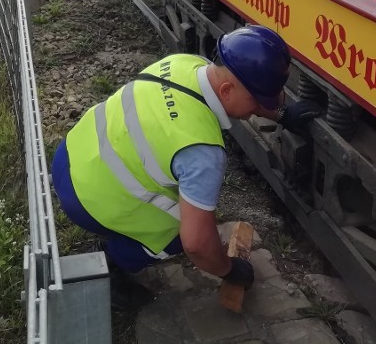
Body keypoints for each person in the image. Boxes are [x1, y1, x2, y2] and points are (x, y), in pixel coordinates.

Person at [51, 25, 323, 309]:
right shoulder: (201, 152)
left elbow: (232, 89)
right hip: (84, 199)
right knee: (182, 233)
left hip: (71, 154)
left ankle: (116, 229)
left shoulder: (186, 64)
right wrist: (228, 269)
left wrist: (280, 113)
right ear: (227, 91)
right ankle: (111, 263)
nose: (259, 108)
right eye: (258, 102)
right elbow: (197, 244)